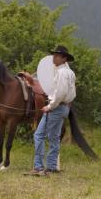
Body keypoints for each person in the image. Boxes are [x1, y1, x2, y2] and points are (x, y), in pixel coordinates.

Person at [28, 45, 77, 176]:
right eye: (54, 55)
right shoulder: (70, 73)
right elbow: (72, 93)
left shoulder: (61, 73)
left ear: (64, 58)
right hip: (64, 107)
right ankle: (51, 167)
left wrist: (49, 106)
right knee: (54, 138)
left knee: (39, 135)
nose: (54, 57)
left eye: (57, 55)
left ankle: (38, 167)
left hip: (56, 107)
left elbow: (60, 93)